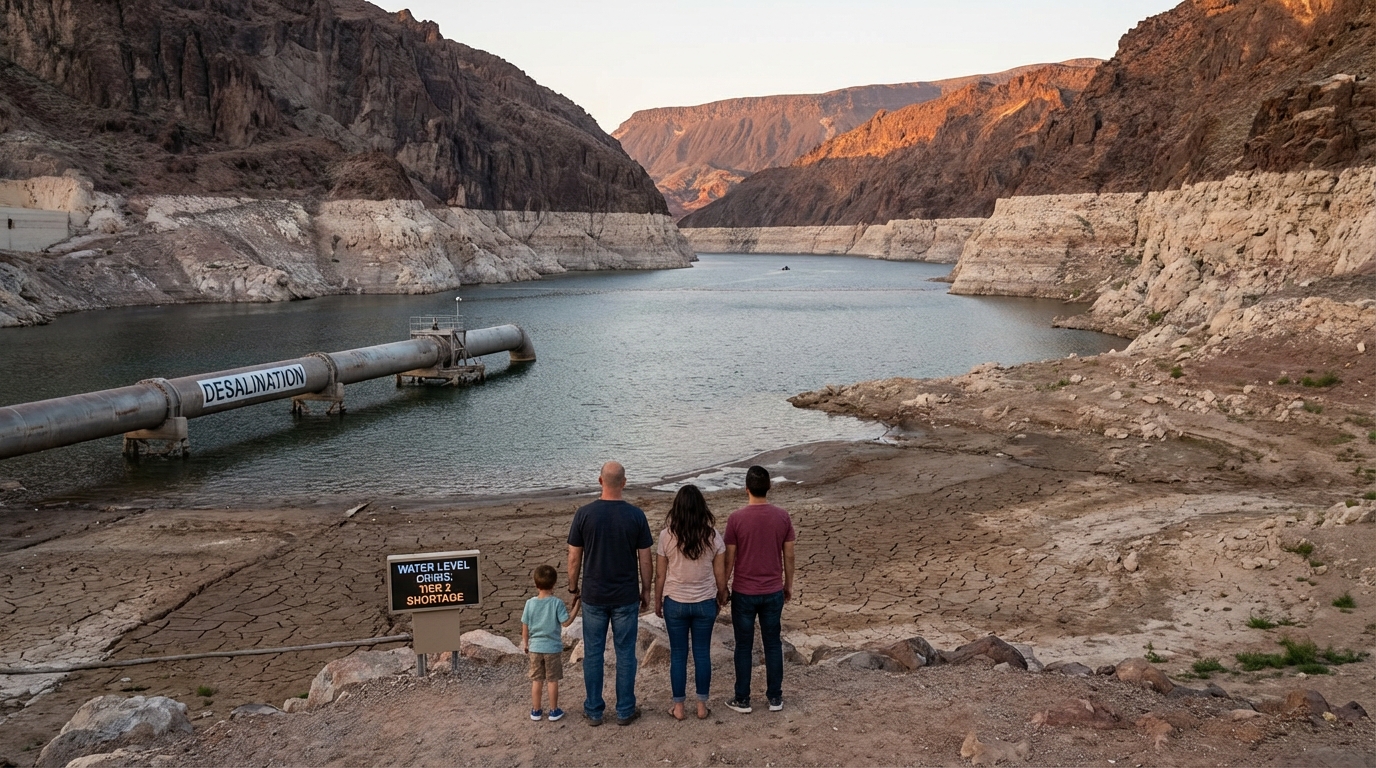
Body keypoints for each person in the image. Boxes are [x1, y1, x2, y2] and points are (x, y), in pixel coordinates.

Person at [567, 461, 653, 726]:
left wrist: (573, 588)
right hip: (625, 595)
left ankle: (594, 710)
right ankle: (625, 710)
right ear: (624, 483)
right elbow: (646, 559)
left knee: (593, 652)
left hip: (593, 594)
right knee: (626, 653)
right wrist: (646, 589)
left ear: (600, 481)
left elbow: (573, 559)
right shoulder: (636, 516)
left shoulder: (584, 514)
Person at [723, 465, 796, 714]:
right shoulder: (782, 517)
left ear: (746, 489)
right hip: (773, 589)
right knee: (772, 644)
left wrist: (723, 587)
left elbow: (729, 559)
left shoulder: (736, 519)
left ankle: (743, 698)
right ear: (769, 487)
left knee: (743, 645)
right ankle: (775, 697)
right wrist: (788, 584)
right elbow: (789, 555)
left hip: (744, 592)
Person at [653, 484, 727, 721]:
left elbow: (660, 575)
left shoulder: (667, 536)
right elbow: (720, 576)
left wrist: (657, 601)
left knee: (678, 655)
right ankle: (702, 706)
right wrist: (722, 595)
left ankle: (679, 707)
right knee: (702, 654)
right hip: (705, 602)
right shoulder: (713, 536)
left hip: (675, 601)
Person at [520, 564, 581, 721]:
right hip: (552, 648)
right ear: (554, 584)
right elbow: (566, 623)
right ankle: (554, 710)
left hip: (534, 648)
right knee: (552, 680)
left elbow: (525, 627)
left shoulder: (529, 603)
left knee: (537, 680)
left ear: (536, 584)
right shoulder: (557, 603)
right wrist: (576, 607)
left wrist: (525, 643)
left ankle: (536, 710)